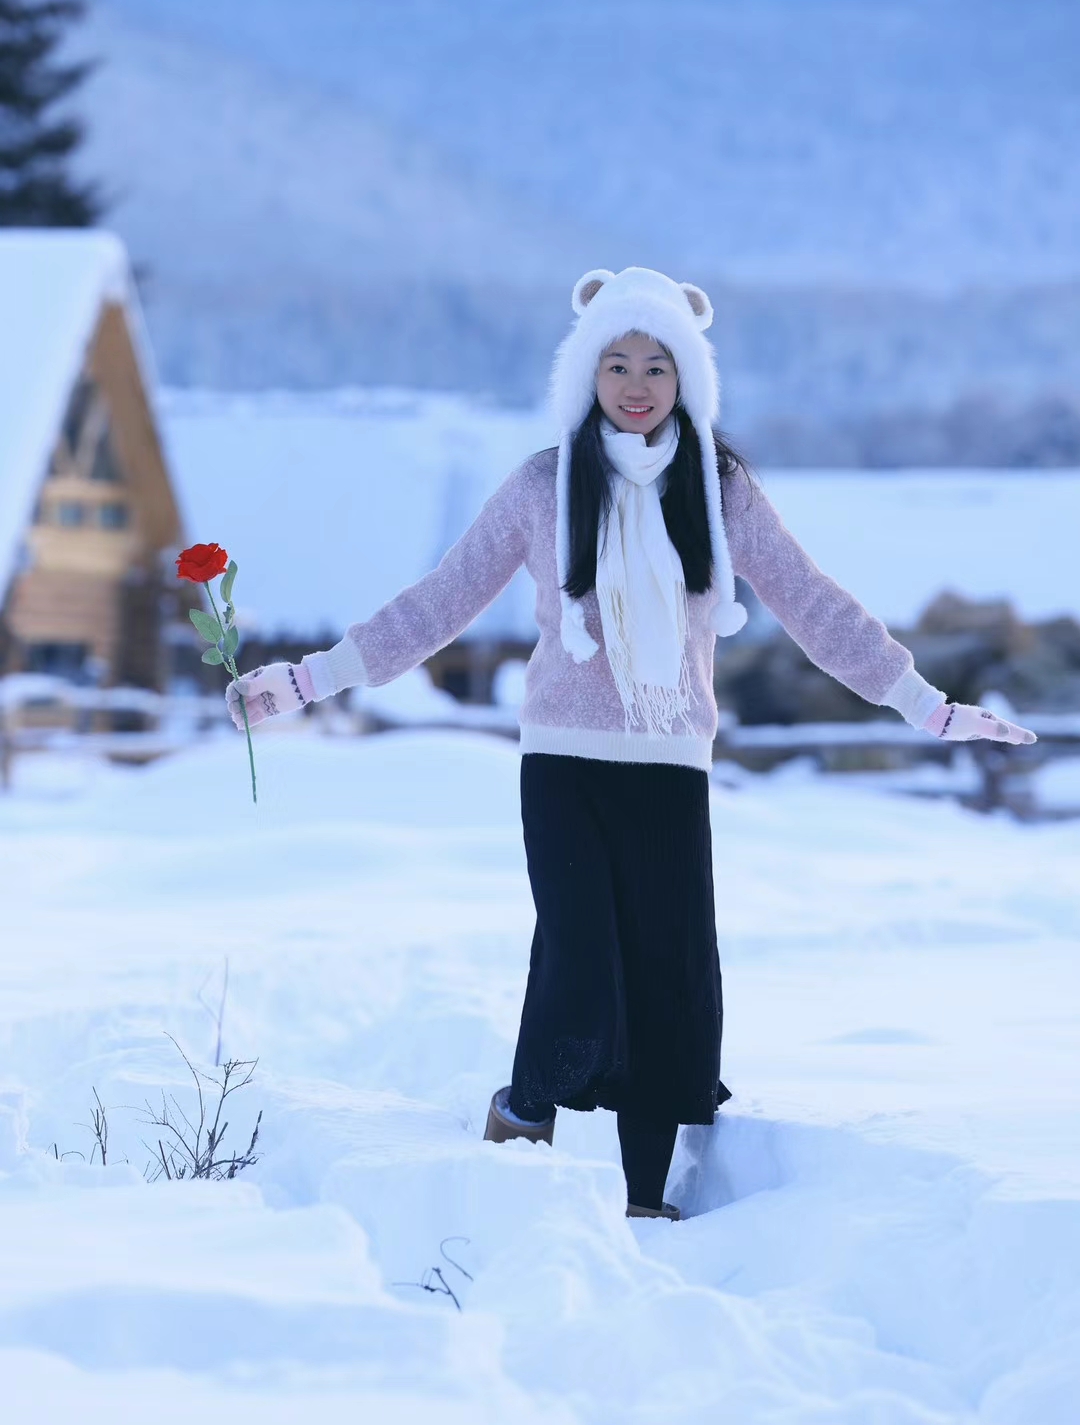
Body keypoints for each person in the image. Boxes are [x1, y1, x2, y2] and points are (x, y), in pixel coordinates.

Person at [225, 266, 1036, 1222]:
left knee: (668, 973)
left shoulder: (721, 490)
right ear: (587, 374)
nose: (637, 382)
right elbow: (439, 604)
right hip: (561, 764)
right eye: (617, 362)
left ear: (687, 376)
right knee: (578, 953)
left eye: (658, 363)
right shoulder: (542, 486)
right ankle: (520, 1134)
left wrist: (924, 703)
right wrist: (308, 679)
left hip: (668, 767)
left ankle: (646, 1200)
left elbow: (815, 607)